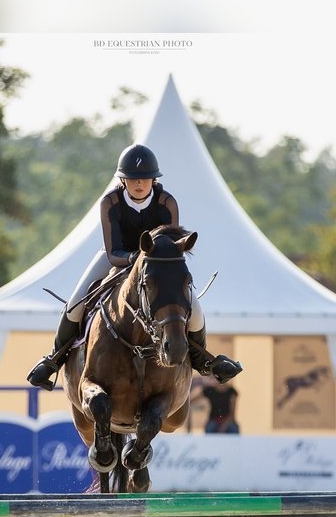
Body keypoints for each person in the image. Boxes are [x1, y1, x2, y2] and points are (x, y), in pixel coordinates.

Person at [26, 144, 242, 390]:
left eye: (145, 178)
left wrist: (150, 262)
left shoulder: (166, 202)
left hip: (158, 264)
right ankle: (53, 359)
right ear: (123, 180)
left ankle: (204, 361)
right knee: (75, 303)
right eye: (132, 179)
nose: (139, 183)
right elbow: (112, 250)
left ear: (153, 180)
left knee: (194, 308)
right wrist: (135, 260)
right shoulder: (110, 202)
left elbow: (170, 247)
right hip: (118, 257)